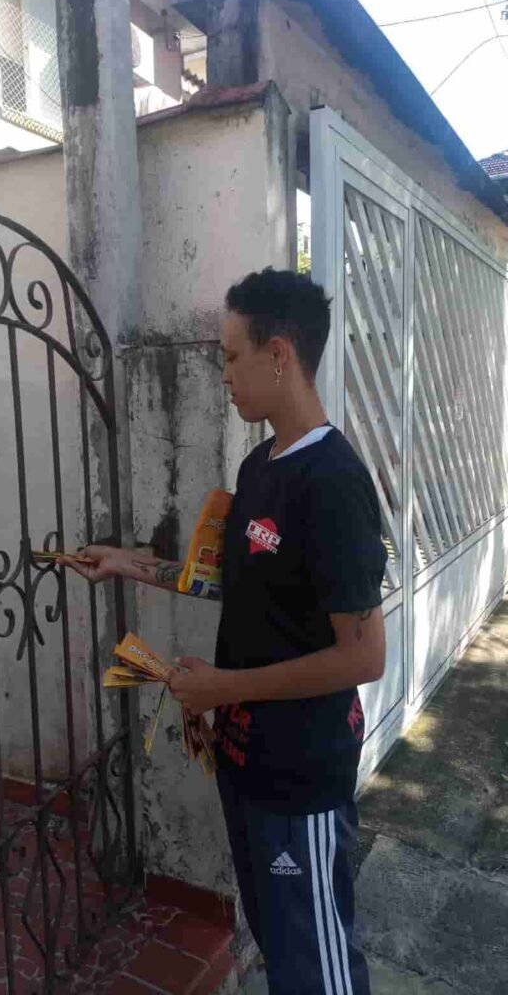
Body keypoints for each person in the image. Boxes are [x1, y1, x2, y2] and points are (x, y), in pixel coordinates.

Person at [62, 268, 387, 995]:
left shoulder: (332, 483)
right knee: (278, 943)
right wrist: (128, 564)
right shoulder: (259, 464)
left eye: (231, 356)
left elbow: (364, 653)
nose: (224, 375)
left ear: (279, 353)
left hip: (300, 773)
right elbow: (230, 577)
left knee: (318, 963)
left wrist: (221, 686)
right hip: (245, 761)